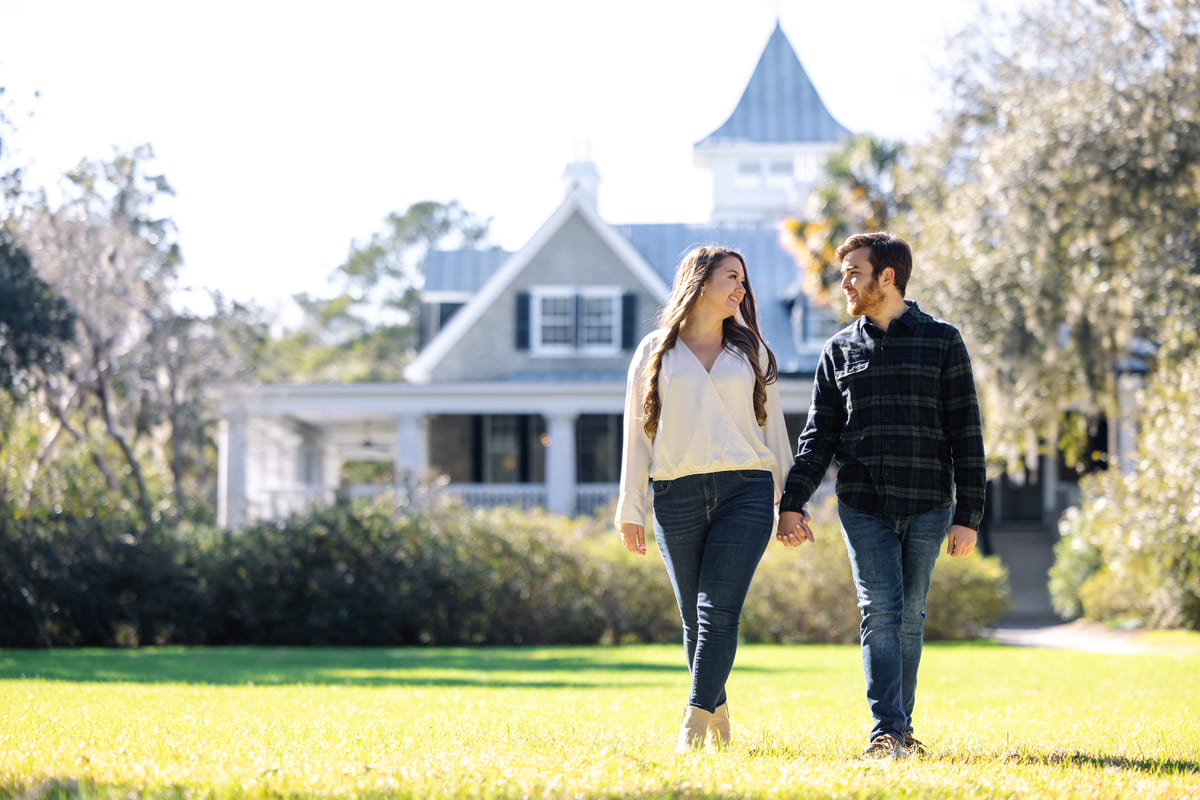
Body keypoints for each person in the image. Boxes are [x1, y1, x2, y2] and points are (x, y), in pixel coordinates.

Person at [776, 232, 986, 760]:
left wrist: (969, 515)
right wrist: (791, 501)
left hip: (929, 503)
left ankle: (900, 727)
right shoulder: (839, 349)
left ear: (886, 277)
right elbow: (818, 437)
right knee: (880, 609)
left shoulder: (943, 341)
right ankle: (887, 732)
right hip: (863, 503)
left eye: (853, 271)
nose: (843, 281)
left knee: (909, 613)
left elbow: (967, 433)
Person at [615, 245, 805, 753]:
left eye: (743, 279)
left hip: (744, 492)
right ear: (699, 282)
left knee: (717, 610)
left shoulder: (753, 353)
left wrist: (790, 503)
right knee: (693, 620)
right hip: (674, 493)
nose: (741, 288)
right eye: (731, 277)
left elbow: (776, 435)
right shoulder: (654, 351)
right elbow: (638, 434)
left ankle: (693, 725)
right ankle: (718, 713)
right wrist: (630, 506)